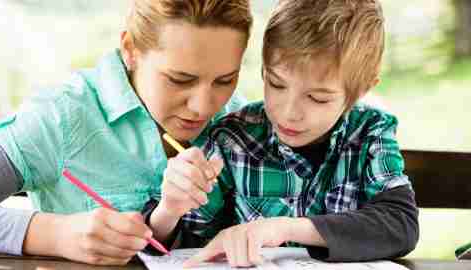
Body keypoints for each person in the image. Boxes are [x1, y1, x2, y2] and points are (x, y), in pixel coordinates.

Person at [143, 0, 419, 267]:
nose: (289, 112)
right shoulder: (233, 140)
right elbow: (183, 244)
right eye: (276, 84)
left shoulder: (370, 133)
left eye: (317, 98)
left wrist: (284, 229)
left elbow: (400, 224)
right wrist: (169, 211)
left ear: (361, 91)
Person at [0, 0, 252, 265]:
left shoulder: (243, 124)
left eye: (225, 80)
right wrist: (54, 235)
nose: (203, 107)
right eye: (179, 80)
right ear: (130, 49)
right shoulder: (62, 117)